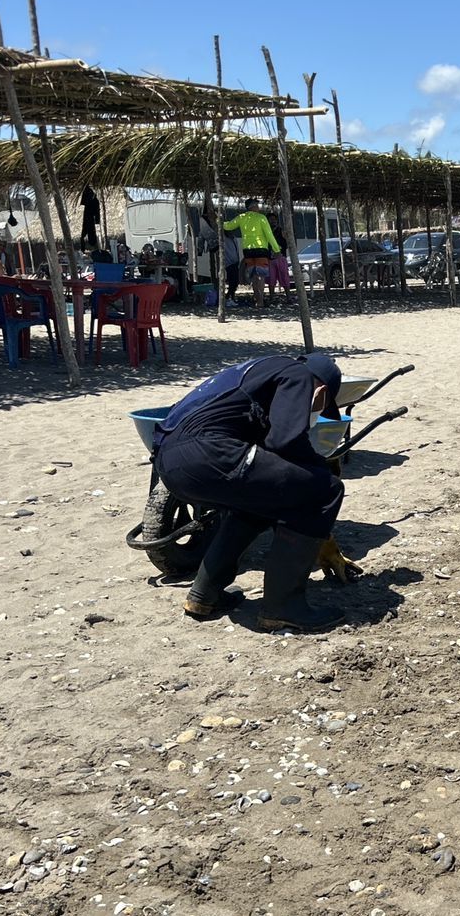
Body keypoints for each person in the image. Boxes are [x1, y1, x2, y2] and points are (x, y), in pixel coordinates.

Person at [153, 354, 347, 631]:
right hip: (211, 453)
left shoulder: (257, 372)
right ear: (322, 392)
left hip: (170, 462)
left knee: (259, 501)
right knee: (326, 490)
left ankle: (204, 595)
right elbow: (285, 441)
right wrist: (320, 468)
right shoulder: (299, 375)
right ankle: (283, 607)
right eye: (322, 407)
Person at [223, 198, 281, 308]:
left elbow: (228, 226)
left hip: (248, 250)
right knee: (261, 276)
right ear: (253, 206)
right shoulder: (261, 218)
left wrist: (218, 220)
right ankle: (260, 301)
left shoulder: (241, 217)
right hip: (261, 250)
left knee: (254, 275)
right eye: (257, 205)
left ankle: (256, 299)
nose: (258, 208)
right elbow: (269, 235)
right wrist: (276, 249)